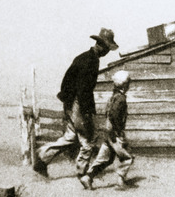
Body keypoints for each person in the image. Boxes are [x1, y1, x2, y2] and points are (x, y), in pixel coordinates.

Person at [35, 27, 119, 187]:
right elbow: (83, 90)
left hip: (71, 103)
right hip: (78, 104)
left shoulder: (85, 57)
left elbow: (68, 84)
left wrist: (69, 104)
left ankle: (42, 159)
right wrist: (86, 114)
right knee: (88, 140)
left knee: (70, 137)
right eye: (107, 48)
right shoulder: (90, 61)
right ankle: (83, 174)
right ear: (100, 45)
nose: (107, 52)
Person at [82, 70, 135, 190]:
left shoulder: (113, 97)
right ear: (125, 84)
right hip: (114, 134)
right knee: (127, 157)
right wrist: (118, 132)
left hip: (107, 132)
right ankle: (120, 182)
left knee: (105, 159)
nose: (129, 85)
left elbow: (109, 114)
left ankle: (88, 177)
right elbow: (114, 115)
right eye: (128, 83)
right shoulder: (121, 98)